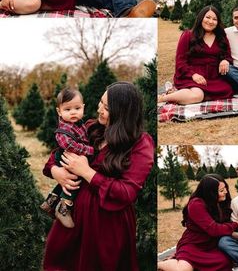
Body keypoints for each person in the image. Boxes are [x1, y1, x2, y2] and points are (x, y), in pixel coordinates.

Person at [42, 82, 155, 270]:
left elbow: (127, 192)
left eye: (107, 107)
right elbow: (54, 158)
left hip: (107, 224)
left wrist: (87, 172)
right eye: (101, 103)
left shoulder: (140, 143)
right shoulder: (90, 128)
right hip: (72, 215)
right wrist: (57, 172)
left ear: (123, 112)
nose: (99, 109)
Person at [158, 174, 238, 271]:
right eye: (221, 190)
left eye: (225, 188)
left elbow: (225, 226)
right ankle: (159, 264)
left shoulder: (222, 202)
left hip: (212, 245)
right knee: (183, 269)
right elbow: (214, 229)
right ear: (210, 193)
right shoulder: (196, 204)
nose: (226, 192)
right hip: (193, 244)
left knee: (225, 263)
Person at [40, 88, 94, 229]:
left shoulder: (81, 124)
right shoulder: (65, 128)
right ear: (59, 112)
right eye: (68, 109)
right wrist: (89, 150)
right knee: (74, 180)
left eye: (77, 108)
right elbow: (68, 145)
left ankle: (50, 202)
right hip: (66, 156)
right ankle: (64, 209)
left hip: (72, 157)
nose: (73, 112)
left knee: (68, 180)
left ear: (83, 107)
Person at [159, 5, 234, 105]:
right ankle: (163, 98)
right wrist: (193, 75)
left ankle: (181, 94)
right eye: (207, 17)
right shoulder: (188, 35)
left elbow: (228, 56)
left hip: (213, 77)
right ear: (201, 17)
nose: (210, 21)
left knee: (228, 90)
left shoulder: (221, 37)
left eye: (214, 19)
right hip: (191, 75)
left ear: (218, 22)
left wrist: (225, 61)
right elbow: (180, 60)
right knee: (198, 95)